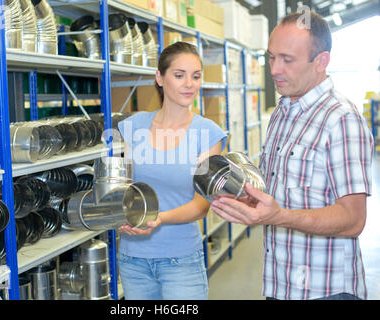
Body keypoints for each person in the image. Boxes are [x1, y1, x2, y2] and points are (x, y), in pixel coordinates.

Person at [211, 11, 373, 300]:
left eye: (287, 60)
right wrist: (250, 200)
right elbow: (281, 192)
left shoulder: (341, 119)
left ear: (321, 62)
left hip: (326, 290)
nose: (274, 69)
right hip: (279, 284)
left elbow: (353, 220)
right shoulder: (282, 112)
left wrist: (279, 215)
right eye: (271, 57)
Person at [116, 41, 227, 300]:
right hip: (133, 260)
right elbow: (124, 186)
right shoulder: (132, 127)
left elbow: (202, 205)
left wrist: (159, 219)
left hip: (181, 261)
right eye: (179, 75)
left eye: (196, 76)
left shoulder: (207, 134)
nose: (189, 83)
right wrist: (118, 213)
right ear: (160, 78)